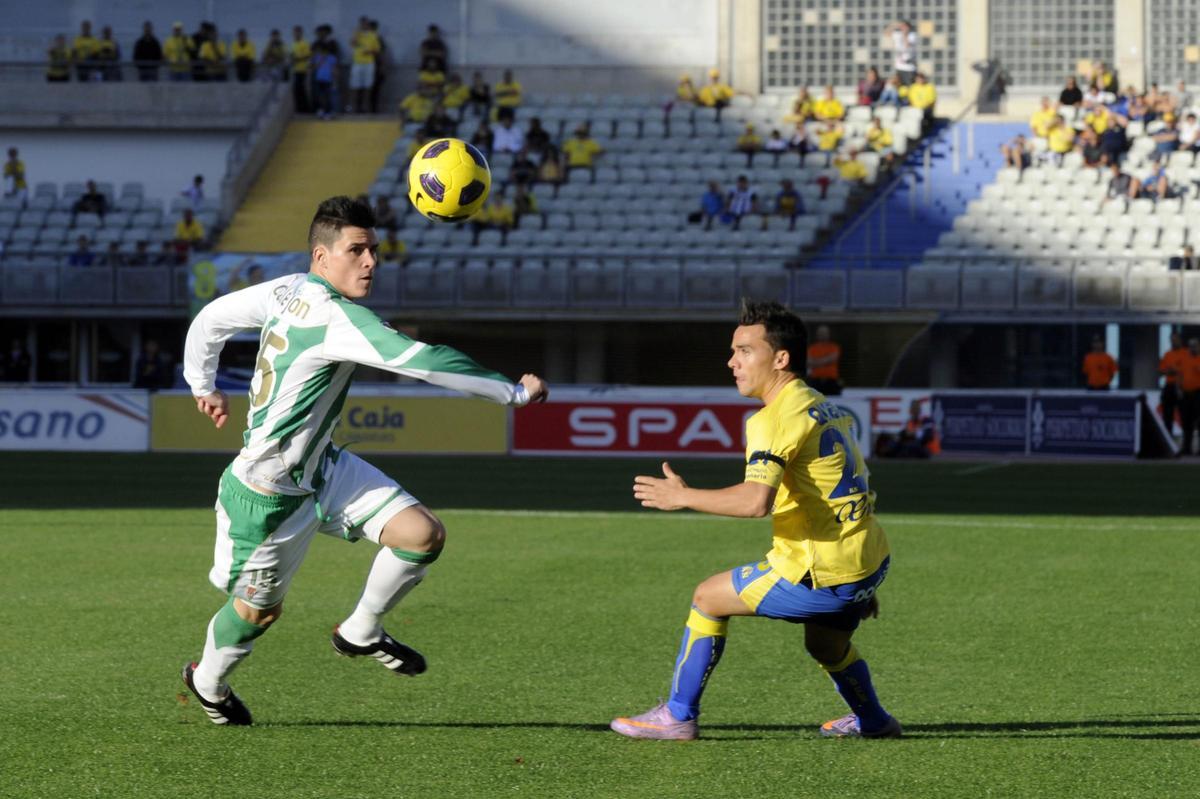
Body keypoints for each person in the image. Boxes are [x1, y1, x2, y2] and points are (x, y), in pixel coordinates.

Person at [179, 196, 548, 725]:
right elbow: (422, 360)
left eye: (373, 249)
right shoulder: (334, 316)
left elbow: (212, 317)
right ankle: (208, 681)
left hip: (322, 469)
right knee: (258, 613)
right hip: (267, 495)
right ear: (322, 256)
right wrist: (512, 392)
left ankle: (361, 630)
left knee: (421, 535)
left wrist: (202, 384)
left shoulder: (287, 289)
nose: (371, 261)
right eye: (357, 250)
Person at [610, 300, 898, 741]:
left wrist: (682, 496)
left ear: (780, 358)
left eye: (744, 351)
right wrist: (858, 586)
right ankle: (875, 721)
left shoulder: (774, 418)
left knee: (707, 598)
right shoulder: (819, 404)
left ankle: (678, 716)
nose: (732, 362)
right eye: (733, 351)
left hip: (820, 569)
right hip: (866, 558)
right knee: (825, 644)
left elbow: (754, 501)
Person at [350, 18, 381, 113]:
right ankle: (354, 107)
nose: (364, 26)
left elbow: (377, 50)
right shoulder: (356, 34)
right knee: (355, 85)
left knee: (368, 86)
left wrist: (370, 51)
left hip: (369, 63)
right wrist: (357, 33)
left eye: (366, 24)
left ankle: (365, 107)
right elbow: (352, 43)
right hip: (357, 63)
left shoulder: (373, 35)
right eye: (362, 24)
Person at [1158, 332, 1187, 437]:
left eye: (1175, 339)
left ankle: (1185, 440)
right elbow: (1161, 371)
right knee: (1167, 414)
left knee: (1185, 414)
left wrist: (1176, 370)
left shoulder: (1186, 353)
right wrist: (1170, 371)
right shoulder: (1167, 354)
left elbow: (1186, 370)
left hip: (1182, 387)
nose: (1174, 342)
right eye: (1172, 340)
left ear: (1180, 340)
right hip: (1169, 386)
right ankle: (1168, 438)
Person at [805, 324, 841, 395]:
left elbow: (833, 358)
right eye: (821, 333)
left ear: (828, 334)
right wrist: (825, 361)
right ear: (817, 335)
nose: (823, 335)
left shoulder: (834, 347)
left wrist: (815, 362)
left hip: (831, 381)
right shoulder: (812, 348)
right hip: (815, 381)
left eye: (825, 333)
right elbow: (808, 362)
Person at [1179, 338, 1200, 455]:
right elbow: (1180, 375)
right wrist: (1179, 389)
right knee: (1187, 422)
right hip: (1186, 394)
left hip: (1198, 393)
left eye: (1195, 346)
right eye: (1191, 346)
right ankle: (1187, 448)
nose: (1193, 348)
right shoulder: (1185, 360)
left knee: (1199, 421)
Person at [888, 20, 917, 85]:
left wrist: (905, 34)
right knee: (898, 85)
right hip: (899, 66)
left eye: (905, 26)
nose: (903, 28)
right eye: (902, 26)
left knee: (909, 86)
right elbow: (886, 33)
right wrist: (894, 26)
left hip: (909, 67)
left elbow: (907, 45)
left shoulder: (912, 35)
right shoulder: (897, 34)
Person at [289, 26, 311, 112]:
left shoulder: (305, 43)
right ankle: (299, 108)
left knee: (301, 89)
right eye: (295, 32)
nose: (296, 34)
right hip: (295, 69)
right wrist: (292, 59)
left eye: (298, 32)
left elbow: (308, 55)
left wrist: (298, 59)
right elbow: (292, 55)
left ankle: (305, 109)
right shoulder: (293, 44)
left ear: (301, 33)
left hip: (303, 69)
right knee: (296, 89)